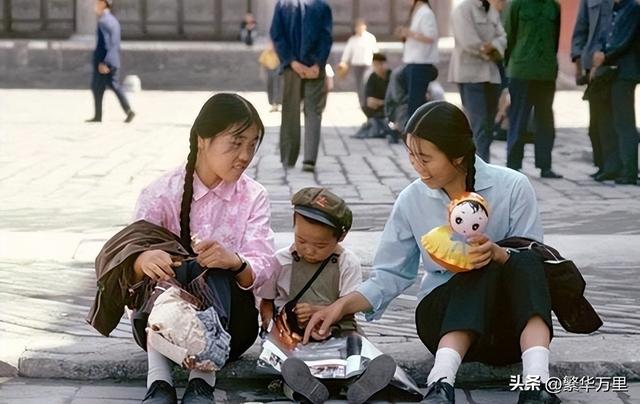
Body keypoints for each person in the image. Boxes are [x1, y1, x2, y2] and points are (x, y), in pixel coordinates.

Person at [303, 101, 566, 404]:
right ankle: (440, 383)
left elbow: (533, 268)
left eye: (425, 158)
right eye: (412, 155)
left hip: (507, 329)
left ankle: (536, 385)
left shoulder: (513, 187)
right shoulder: (411, 199)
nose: (416, 166)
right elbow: (390, 274)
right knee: (472, 266)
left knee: (521, 258)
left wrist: (498, 254)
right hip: (441, 322)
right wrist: (340, 306)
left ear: (457, 156)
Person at [88, 93, 275, 404]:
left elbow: (265, 268)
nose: (245, 154)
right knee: (166, 269)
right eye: (236, 143)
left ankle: (202, 382)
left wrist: (235, 262)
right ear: (203, 139)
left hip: (232, 330)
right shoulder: (160, 192)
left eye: (252, 144)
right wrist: (143, 260)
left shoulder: (254, 196)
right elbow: (130, 253)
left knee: (211, 269)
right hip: (158, 326)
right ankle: (158, 381)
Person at [257, 187, 396, 404]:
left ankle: (358, 383)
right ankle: (301, 388)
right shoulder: (281, 261)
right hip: (293, 336)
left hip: (336, 331)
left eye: (320, 245)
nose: (309, 250)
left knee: (354, 348)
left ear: (340, 237)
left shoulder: (346, 263)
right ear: (293, 224)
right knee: (286, 360)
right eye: (301, 241)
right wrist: (269, 329)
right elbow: (266, 302)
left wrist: (321, 313)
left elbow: (350, 305)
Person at [270, 0, 333, 173]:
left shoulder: (283, 5)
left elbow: (277, 34)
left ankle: (288, 158)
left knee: (290, 110)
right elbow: (326, 37)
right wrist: (318, 64)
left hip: (292, 68)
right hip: (314, 69)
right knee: (313, 112)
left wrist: (291, 61)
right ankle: (309, 160)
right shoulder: (322, 6)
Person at [504, 0, 562, 178]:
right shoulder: (516, 5)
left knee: (545, 120)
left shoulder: (553, 6)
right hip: (521, 70)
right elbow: (508, 36)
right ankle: (513, 164)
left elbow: (555, 39)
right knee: (519, 118)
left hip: (546, 71)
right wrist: (508, 67)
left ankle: (545, 166)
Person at [449, 0, 506, 163]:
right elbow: (468, 41)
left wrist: (493, 46)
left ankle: (483, 164)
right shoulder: (462, 10)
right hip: (470, 74)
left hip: (491, 74)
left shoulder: (490, 10)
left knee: (488, 125)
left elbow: (503, 36)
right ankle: (477, 167)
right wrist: (488, 49)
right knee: (478, 124)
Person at [590, 0, 640, 185]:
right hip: (610, 72)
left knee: (624, 122)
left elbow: (624, 40)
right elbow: (606, 36)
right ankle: (611, 167)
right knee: (606, 121)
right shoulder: (615, 9)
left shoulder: (633, 8)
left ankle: (629, 171)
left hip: (625, 72)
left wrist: (605, 55)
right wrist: (599, 52)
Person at [571, 0, 613, 179]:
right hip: (593, 67)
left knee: (615, 119)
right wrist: (578, 62)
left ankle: (615, 165)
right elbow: (581, 29)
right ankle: (602, 163)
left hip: (616, 60)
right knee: (595, 122)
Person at [86, 0, 135, 124]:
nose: (95, 6)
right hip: (114, 59)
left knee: (98, 86)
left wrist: (103, 62)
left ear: (103, 3)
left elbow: (106, 44)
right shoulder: (113, 20)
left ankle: (99, 115)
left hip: (104, 62)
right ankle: (127, 110)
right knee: (109, 86)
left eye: (97, 3)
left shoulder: (103, 22)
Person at [396, 0, 439, 117]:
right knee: (413, 101)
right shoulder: (419, 12)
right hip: (413, 62)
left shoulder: (426, 13)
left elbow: (430, 37)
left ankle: (414, 132)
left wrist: (409, 33)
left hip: (421, 63)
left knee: (416, 103)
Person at [337, 18, 379, 108]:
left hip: (367, 65)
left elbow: (375, 52)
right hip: (356, 65)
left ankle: (366, 101)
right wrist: (343, 62)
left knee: (365, 83)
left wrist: (377, 63)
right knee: (359, 85)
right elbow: (347, 53)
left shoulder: (370, 38)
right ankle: (362, 101)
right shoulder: (352, 40)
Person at [353, 53, 393, 140]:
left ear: (385, 64)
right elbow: (369, 100)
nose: (378, 67)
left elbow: (394, 98)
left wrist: (381, 102)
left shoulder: (392, 76)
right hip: (376, 108)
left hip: (389, 106)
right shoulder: (372, 77)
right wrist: (381, 102)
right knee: (366, 106)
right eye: (375, 65)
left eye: (380, 64)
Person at [258, 41, 283, 112]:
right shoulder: (265, 53)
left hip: (277, 70)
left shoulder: (278, 52)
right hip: (269, 71)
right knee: (270, 87)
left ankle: (276, 103)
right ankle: (272, 103)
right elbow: (262, 64)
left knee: (277, 87)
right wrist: (262, 73)